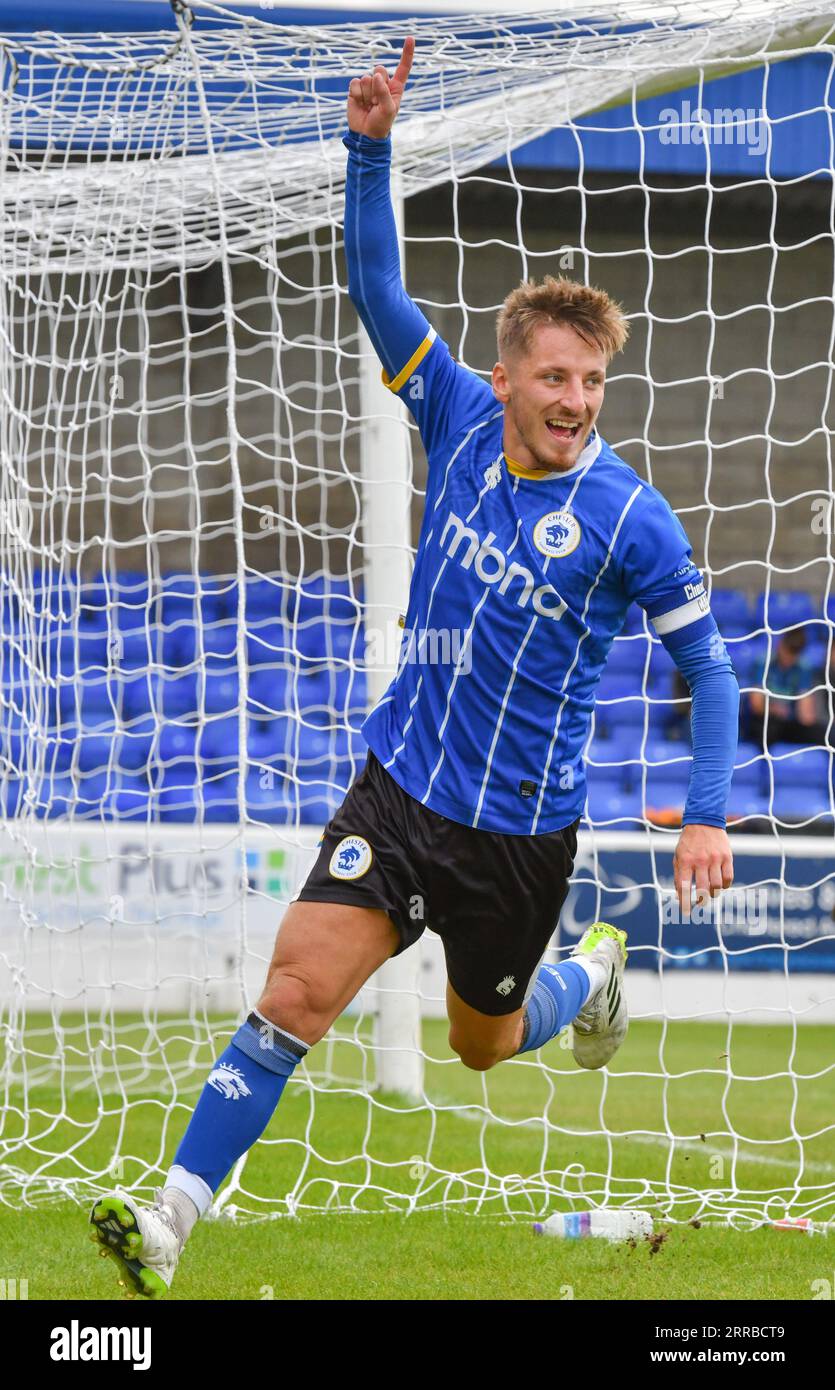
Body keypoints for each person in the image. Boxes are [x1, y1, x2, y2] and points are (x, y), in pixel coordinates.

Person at [88, 36, 738, 1297]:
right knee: (295, 988)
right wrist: (367, 146)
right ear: (504, 377)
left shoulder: (632, 518)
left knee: (481, 1044)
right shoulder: (448, 411)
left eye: (592, 382)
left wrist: (704, 815)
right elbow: (379, 288)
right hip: (398, 789)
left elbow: (710, 670)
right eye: (555, 376)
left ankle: (586, 973)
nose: (576, 400)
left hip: (513, 836)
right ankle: (169, 1218)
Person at [746, 626, 828, 746]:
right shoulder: (763, 663)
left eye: (794, 653)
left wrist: (806, 712)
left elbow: (805, 714)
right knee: (767, 730)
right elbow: (756, 704)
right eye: (787, 650)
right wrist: (773, 710)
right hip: (766, 720)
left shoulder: (803, 668)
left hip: (788, 722)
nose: (788, 658)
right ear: (780, 644)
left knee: (820, 733)